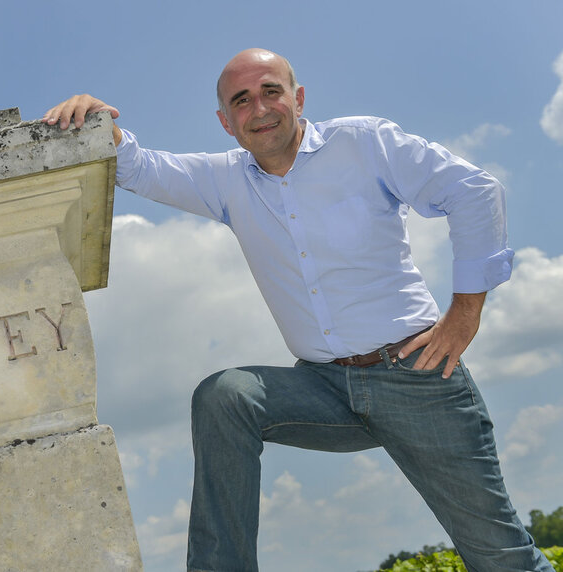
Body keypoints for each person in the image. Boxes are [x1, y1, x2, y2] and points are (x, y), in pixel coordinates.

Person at [43, 49, 552, 572]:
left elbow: (474, 190)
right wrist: (96, 122)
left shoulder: (365, 142)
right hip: (322, 390)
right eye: (242, 100)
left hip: (418, 377)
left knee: (502, 558)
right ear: (226, 121)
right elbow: (145, 169)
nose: (259, 108)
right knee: (225, 397)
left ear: (298, 97)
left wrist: (464, 315)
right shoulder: (226, 181)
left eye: (271, 91)